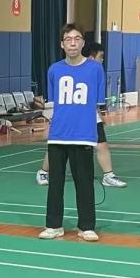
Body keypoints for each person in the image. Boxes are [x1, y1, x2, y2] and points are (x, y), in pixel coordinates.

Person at [38, 24, 105, 242]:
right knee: (55, 183)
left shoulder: (95, 69)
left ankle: (86, 226)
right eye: (68, 39)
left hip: (84, 135)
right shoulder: (54, 70)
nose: (73, 43)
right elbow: (53, 102)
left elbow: (98, 104)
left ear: (83, 43)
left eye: (77, 38)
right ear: (62, 44)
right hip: (58, 135)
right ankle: (53, 225)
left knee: (84, 183)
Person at [36, 41, 126, 189]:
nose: (102, 60)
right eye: (100, 57)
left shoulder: (95, 72)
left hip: (90, 116)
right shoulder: (67, 71)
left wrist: (98, 114)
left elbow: (92, 98)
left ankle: (108, 175)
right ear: (91, 58)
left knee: (101, 144)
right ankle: (43, 172)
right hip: (71, 116)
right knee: (59, 145)